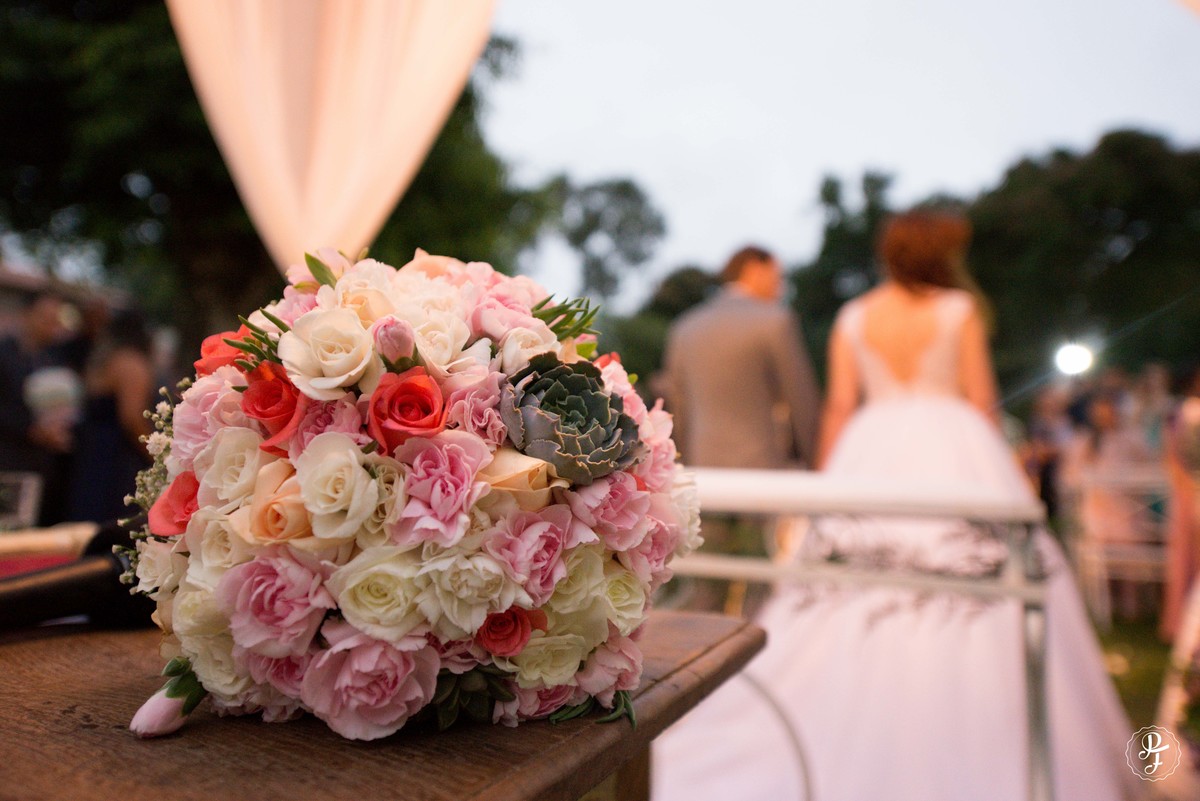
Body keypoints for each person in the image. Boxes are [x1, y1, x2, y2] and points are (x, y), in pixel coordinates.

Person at [652, 211, 1135, 801]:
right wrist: (1010, 476)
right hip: (954, 450)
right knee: (989, 578)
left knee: (851, 583)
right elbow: (982, 400)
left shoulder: (855, 317)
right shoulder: (959, 312)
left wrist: (827, 488)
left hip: (871, 447)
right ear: (942, 255)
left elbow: (836, 406)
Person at [663, 245, 820, 469]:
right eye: (777, 277)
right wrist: (817, 466)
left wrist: (684, 466)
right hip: (765, 468)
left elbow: (678, 409)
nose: (781, 288)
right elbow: (802, 405)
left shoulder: (684, 327)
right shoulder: (776, 321)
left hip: (703, 467)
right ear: (755, 269)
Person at [66, 308, 154, 523]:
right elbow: (132, 418)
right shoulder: (130, 363)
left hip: (90, 452)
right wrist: (156, 455)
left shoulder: (102, 360)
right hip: (115, 460)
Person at [0, 291, 77, 525]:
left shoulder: (55, 358)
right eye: (45, 318)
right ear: (27, 315)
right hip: (8, 459)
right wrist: (30, 430)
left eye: (56, 320)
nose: (51, 326)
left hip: (41, 466)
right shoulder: (5, 353)